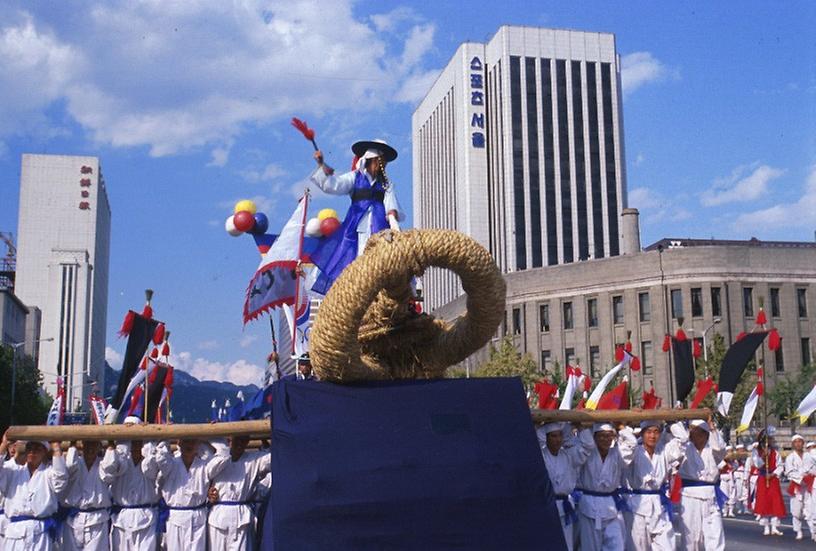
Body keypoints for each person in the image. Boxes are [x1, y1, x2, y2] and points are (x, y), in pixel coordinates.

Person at [310, 139, 405, 295]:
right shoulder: (355, 177)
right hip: (357, 227)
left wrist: (394, 224)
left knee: (383, 259)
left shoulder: (386, 184)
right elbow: (333, 185)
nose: (380, 166)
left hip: (380, 227)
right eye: (378, 162)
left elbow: (391, 206)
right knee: (356, 257)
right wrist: (321, 165)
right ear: (369, 161)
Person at [156, 438, 230, 551]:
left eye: (193, 441)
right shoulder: (170, 464)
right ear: (179, 443)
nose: (189, 445)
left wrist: (210, 435)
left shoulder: (205, 466)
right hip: (175, 518)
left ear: (198, 445)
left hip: (198, 518)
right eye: (186, 441)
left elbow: (224, 456)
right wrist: (167, 435)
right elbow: (161, 456)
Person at [99, 417, 162, 551]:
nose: (135, 445)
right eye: (132, 440)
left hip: (147, 518)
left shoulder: (151, 463)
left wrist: (149, 434)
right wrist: (112, 442)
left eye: (138, 440)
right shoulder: (120, 462)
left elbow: (151, 468)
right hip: (122, 519)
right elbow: (108, 471)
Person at [624, 420, 687, 551]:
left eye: (656, 432)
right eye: (648, 432)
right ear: (642, 434)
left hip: (659, 506)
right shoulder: (634, 452)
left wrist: (672, 421)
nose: (652, 436)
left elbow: (683, 438)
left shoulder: (663, 451)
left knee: (667, 546)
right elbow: (625, 449)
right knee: (638, 547)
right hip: (637, 506)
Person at [0, 435, 68, 551]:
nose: (32, 452)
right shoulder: (13, 471)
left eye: (37, 449)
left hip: (40, 532)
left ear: (45, 453)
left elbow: (60, 480)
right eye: (30, 448)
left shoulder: (49, 473)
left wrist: (56, 448)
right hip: (14, 533)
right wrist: (3, 445)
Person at [575, 422, 636, 550]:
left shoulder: (617, 454)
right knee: (590, 547)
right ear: (594, 437)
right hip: (588, 505)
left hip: (611, 506)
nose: (606, 439)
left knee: (617, 545)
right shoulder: (587, 453)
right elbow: (585, 443)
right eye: (602, 436)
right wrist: (585, 427)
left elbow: (632, 444)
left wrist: (621, 427)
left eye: (609, 436)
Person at [207, 435, 272, 550]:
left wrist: (265, 439)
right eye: (237, 439)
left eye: (244, 440)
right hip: (218, 516)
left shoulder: (254, 459)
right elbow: (206, 477)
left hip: (242, 518)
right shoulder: (215, 459)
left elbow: (272, 459)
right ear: (229, 440)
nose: (240, 444)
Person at [536, 422, 593, 551]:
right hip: (545, 504)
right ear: (546, 438)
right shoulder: (540, 455)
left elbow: (588, 446)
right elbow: (536, 443)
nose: (557, 440)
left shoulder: (569, 455)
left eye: (559, 436)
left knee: (567, 544)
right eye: (553, 436)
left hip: (565, 506)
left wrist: (581, 428)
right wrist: (540, 426)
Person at [677, 417, 726, 551]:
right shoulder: (683, 449)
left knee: (715, 534)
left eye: (698, 432)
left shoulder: (713, 451)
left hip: (710, 496)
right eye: (692, 432)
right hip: (689, 497)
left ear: (706, 434)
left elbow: (720, 448)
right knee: (691, 536)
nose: (694, 435)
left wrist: (712, 427)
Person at [60, 440, 112, 551]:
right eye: (88, 445)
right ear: (82, 446)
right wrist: (73, 443)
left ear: (99, 447)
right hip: (74, 519)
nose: (90, 449)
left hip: (97, 519)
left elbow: (110, 466)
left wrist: (111, 442)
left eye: (94, 445)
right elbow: (69, 464)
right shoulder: (76, 464)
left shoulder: (103, 465)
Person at [752, 427, 786, 536]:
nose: (770, 441)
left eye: (770, 439)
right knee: (764, 501)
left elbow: (780, 465)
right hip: (763, 478)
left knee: (775, 502)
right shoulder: (757, 452)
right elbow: (757, 464)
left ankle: (775, 526)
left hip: (773, 479)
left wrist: (773, 474)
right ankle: (766, 526)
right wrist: (763, 455)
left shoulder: (775, 453)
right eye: (767, 439)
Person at [0, 440, 27, 546]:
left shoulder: (28, 469)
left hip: (14, 521)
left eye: (16, 445)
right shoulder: (6, 467)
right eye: (11, 445)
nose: (13, 448)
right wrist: (4, 444)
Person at [785, 434, 812, 540]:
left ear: (803, 443)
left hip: (809, 486)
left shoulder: (809, 456)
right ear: (792, 444)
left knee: (810, 510)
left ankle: (813, 531)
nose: (798, 444)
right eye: (795, 442)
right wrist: (801, 479)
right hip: (796, 486)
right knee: (796, 511)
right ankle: (798, 530)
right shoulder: (790, 457)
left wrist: (808, 476)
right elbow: (789, 472)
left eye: (800, 441)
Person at [718, 445, 735, 518]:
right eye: (729, 451)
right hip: (724, 478)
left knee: (732, 494)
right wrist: (725, 461)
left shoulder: (734, 461)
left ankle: (731, 511)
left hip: (731, 478)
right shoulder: (721, 460)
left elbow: (735, 468)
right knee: (725, 494)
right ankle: (725, 511)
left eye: (731, 451)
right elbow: (719, 467)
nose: (730, 453)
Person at [732, 444, 746, 515]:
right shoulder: (735, 458)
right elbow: (734, 467)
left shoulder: (746, 457)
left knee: (745, 492)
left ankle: (745, 508)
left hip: (744, 474)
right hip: (738, 474)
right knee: (739, 492)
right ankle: (739, 507)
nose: (742, 450)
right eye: (740, 449)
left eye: (742, 449)